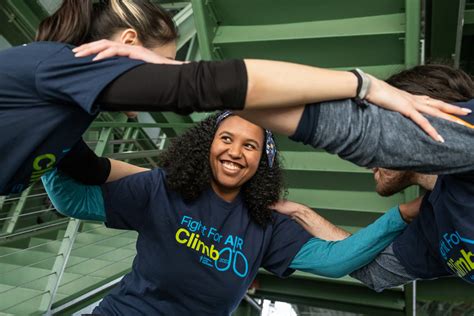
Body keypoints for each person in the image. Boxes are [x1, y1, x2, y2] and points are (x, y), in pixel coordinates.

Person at [0, 0, 466, 196]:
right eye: (156, 61)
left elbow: (86, 168)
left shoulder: (65, 98)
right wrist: (365, 85)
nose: (150, 91)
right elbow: (206, 87)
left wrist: (185, 188)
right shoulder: (60, 63)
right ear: (126, 43)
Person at [42, 112, 417, 315]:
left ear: (262, 161)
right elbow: (72, 201)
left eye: (249, 145)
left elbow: (337, 261)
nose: (235, 152)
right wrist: (43, 141)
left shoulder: (267, 225)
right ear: (207, 146)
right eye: (226, 139)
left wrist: (401, 213)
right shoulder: (163, 189)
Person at [262, 64, 474, 289]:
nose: (371, 165)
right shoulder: (432, 220)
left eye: (387, 120)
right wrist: (301, 213)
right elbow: (371, 270)